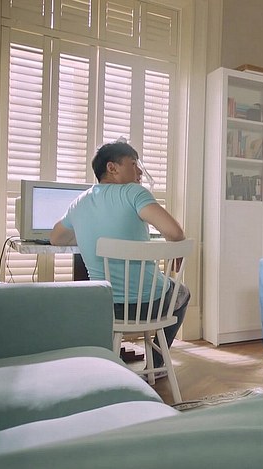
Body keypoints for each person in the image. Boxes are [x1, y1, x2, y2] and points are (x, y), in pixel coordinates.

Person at [51, 140, 189, 379]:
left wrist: (87, 232)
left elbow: (55, 238)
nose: (139, 172)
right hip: (148, 306)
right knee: (183, 293)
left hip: (104, 306)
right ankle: (157, 363)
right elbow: (175, 232)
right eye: (133, 164)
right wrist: (176, 249)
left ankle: (106, 363)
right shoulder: (134, 193)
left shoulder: (79, 202)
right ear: (112, 167)